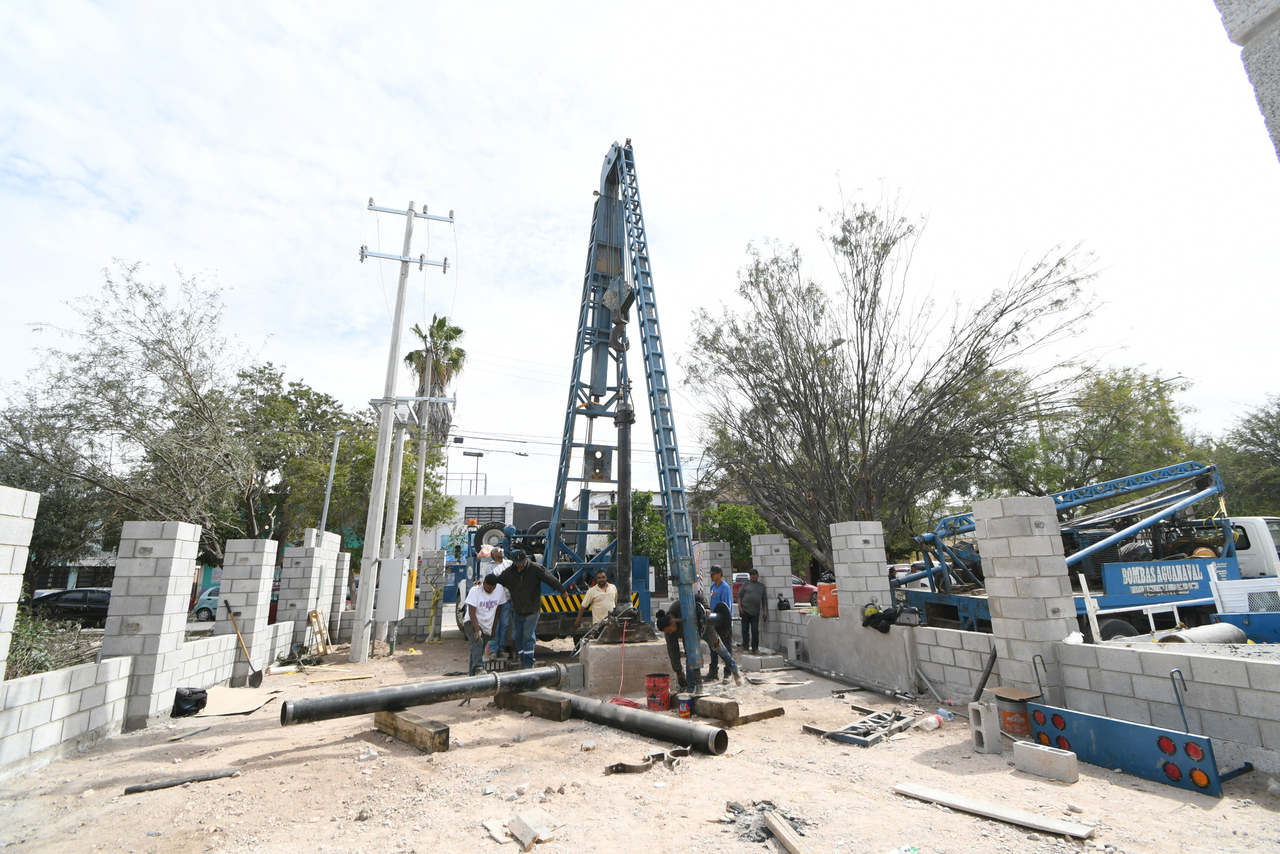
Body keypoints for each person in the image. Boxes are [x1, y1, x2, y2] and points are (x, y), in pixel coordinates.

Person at [496, 549, 568, 668]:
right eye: (518, 565)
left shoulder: (536, 569)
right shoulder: (509, 573)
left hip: (532, 609)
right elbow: (497, 580)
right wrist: (483, 584)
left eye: (522, 564)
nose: (520, 567)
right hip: (518, 609)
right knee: (518, 635)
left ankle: (529, 663)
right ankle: (522, 659)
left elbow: (550, 579)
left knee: (528, 635)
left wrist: (562, 590)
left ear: (527, 560)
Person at [655, 594, 741, 689]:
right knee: (690, 655)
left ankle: (734, 669)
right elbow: (673, 652)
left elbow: (698, 596)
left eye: (670, 630)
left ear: (672, 622)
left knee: (717, 646)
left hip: (703, 625)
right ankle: (691, 687)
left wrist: (706, 607)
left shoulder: (679, 605)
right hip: (688, 634)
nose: (670, 633)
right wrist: (678, 672)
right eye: (668, 632)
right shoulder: (669, 633)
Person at [463, 573, 507, 676]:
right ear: (483, 583)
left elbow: (498, 609)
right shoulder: (475, 591)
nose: (490, 590)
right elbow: (471, 612)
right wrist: (477, 630)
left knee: (477, 650)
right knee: (478, 641)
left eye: (493, 588)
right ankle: (479, 668)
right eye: (488, 588)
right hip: (472, 622)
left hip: (487, 625)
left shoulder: (500, 589)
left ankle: (472, 678)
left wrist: (494, 628)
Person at [706, 565, 734, 680]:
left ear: (719, 574)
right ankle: (713, 672)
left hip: (723, 624)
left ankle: (728, 673)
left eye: (713, 574)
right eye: (711, 574)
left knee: (726, 648)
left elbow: (726, 608)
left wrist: (725, 623)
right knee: (714, 647)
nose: (712, 576)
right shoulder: (713, 586)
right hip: (714, 622)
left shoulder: (725, 588)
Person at [737, 568, 768, 653]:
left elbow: (764, 600)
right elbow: (739, 597)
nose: (753, 576)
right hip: (745, 611)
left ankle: (755, 648)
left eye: (754, 574)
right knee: (745, 630)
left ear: (757, 576)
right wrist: (740, 608)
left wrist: (765, 612)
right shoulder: (746, 585)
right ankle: (746, 647)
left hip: (755, 612)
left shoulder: (761, 586)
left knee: (755, 630)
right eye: (751, 574)